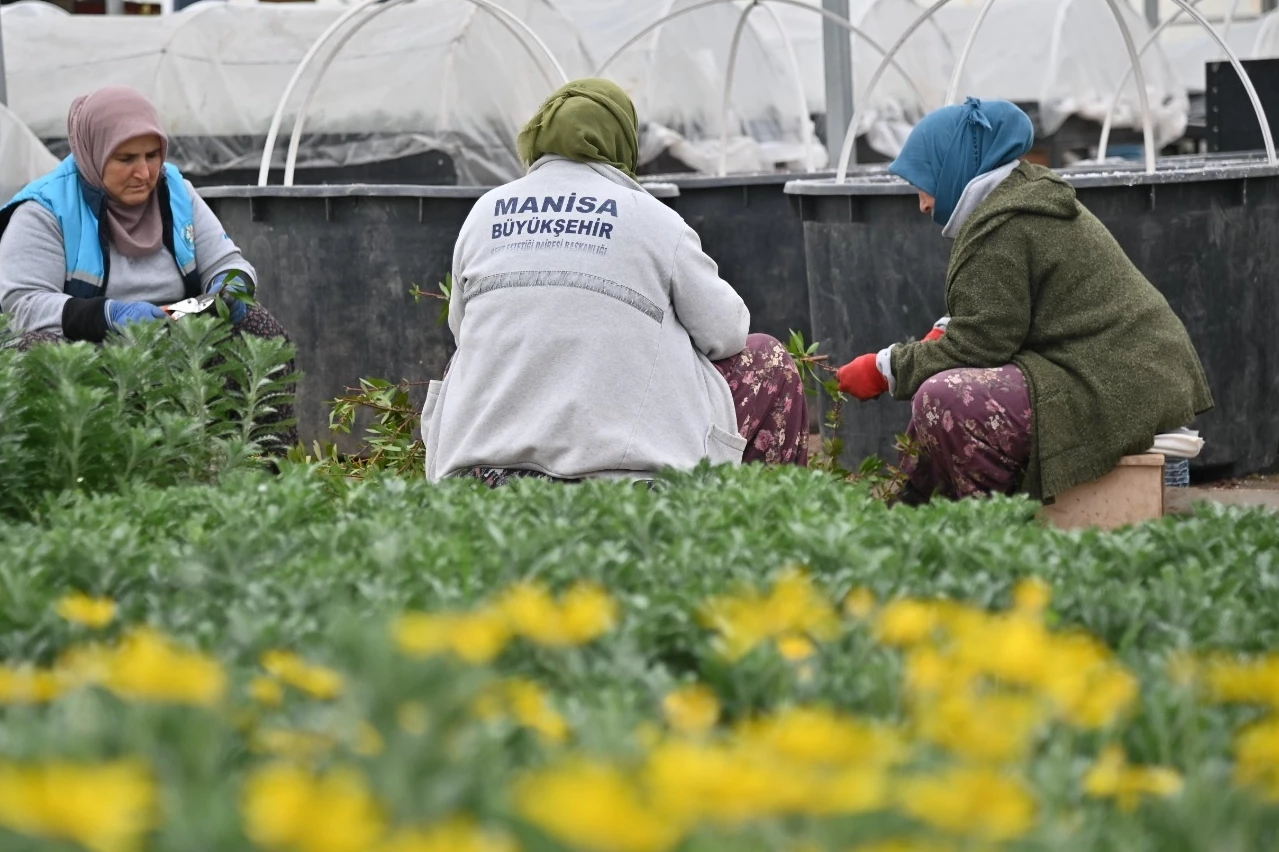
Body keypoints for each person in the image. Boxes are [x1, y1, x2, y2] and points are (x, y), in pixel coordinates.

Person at [423, 78, 808, 485]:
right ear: (622, 140)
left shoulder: (485, 212)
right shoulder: (654, 219)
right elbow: (727, 333)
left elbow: (461, 331)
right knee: (766, 359)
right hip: (621, 483)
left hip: (480, 475)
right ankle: (755, 534)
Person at [835, 97, 1212, 504]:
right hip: (1134, 373)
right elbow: (1004, 309)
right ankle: (912, 506)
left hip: (1118, 385)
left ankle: (990, 525)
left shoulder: (1003, 225)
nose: (923, 203)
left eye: (922, 184)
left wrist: (884, 368)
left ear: (952, 166)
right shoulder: (1018, 199)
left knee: (944, 397)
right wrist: (944, 337)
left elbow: (983, 343)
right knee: (943, 386)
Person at [0, 85, 296, 447]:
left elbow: (229, 263)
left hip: (177, 340)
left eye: (152, 155)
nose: (144, 172)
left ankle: (267, 473)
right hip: (89, 351)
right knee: (32, 355)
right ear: (93, 154)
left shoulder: (176, 192)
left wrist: (230, 290)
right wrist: (109, 315)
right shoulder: (46, 210)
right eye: (126, 159)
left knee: (258, 326)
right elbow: (23, 303)